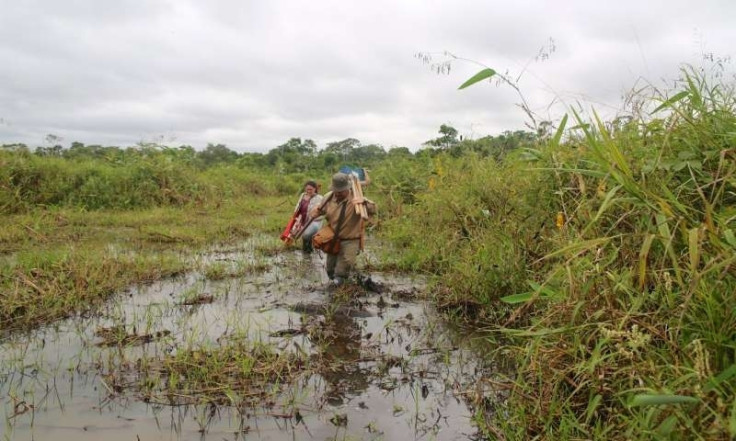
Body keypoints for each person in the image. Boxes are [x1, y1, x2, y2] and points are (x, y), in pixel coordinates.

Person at [310, 172, 376, 286]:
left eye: (341, 191)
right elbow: (320, 210)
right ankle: (356, 277)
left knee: (341, 271)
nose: (338, 193)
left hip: (350, 239)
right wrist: (316, 211)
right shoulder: (328, 197)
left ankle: (343, 286)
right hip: (333, 238)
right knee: (330, 270)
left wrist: (365, 202)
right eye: (336, 191)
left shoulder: (357, 199)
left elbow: (373, 209)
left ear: (348, 188)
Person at [291, 180, 324, 253]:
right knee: (294, 233)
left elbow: (321, 212)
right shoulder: (303, 195)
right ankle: (306, 251)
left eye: (311, 189)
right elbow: (298, 206)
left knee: (306, 234)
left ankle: (309, 251)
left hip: (314, 221)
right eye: (307, 189)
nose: (308, 191)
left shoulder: (320, 198)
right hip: (302, 218)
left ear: (315, 189)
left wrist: (313, 216)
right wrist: (297, 219)